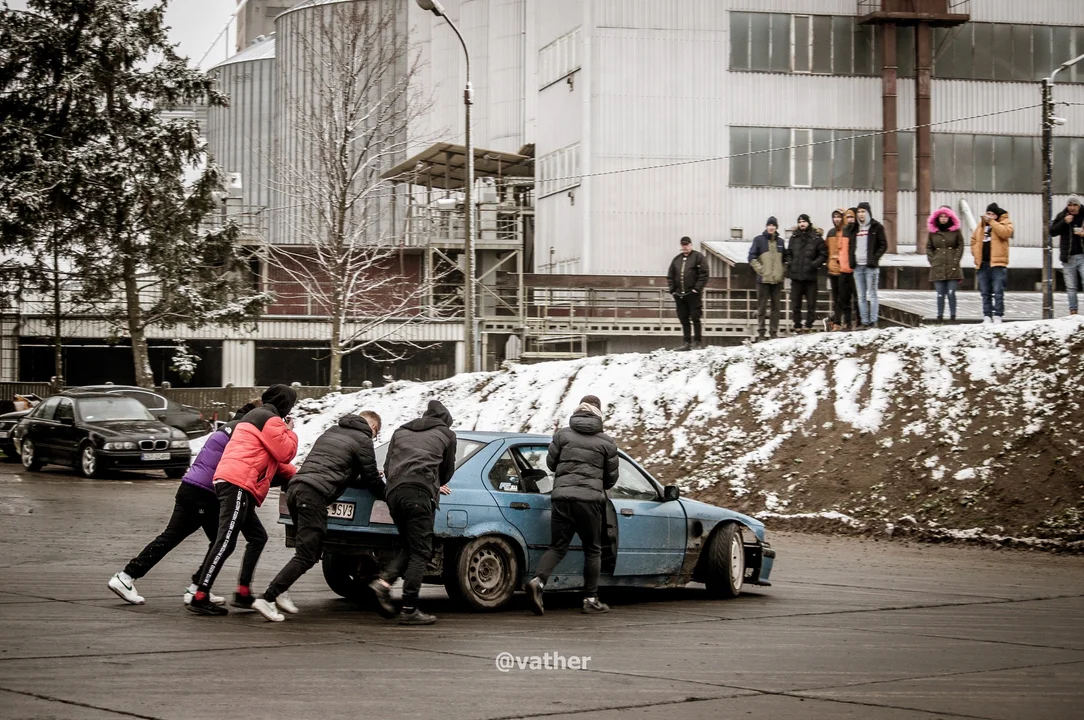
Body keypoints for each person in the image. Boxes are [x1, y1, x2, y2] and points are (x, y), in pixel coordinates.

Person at [253, 411, 384, 622]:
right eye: (376, 434)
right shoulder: (363, 440)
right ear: (373, 428)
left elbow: (336, 468)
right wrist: (388, 494)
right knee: (307, 554)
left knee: (308, 552)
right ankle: (267, 598)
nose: (374, 438)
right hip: (313, 495)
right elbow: (371, 481)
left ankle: (281, 589)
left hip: (296, 490)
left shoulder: (331, 431)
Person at [187, 384, 299, 616]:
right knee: (226, 540)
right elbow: (285, 452)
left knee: (258, 537)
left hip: (233, 481)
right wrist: (290, 430)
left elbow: (274, 460)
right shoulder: (270, 420)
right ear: (285, 403)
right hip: (237, 483)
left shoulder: (256, 416)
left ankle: (243, 592)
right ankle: (200, 595)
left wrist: (299, 474)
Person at [107, 418, 243, 607]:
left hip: (189, 486)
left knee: (173, 536)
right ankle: (197, 588)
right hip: (205, 493)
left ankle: (126, 577)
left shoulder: (226, 430)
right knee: (222, 542)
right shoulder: (243, 434)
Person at [525, 394, 618, 616]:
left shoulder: (562, 435)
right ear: (599, 413)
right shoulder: (607, 442)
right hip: (589, 502)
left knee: (558, 546)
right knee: (593, 549)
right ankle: (590, 598)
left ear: (579, 410)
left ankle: (538, 581)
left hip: (561, 498)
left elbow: (551, 464)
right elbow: (611, 479)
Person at [369, 400, 457, 626]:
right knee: (421, 552)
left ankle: (384, 582)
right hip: (418, 495)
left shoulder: (401, 431)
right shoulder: (447, 434)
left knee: (410, 545)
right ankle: (409, 608)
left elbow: (388, 467)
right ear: (445, 420)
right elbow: (447, 473)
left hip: (394, 494)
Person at [847, 201, 888, 328]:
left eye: (863, 211)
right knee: (861, 295)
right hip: (858, 267)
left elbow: (883, 244)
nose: (861, 214)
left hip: (870, 266)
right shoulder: (854, 229)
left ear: (868, 212)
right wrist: (851, 260)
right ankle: (864, 321)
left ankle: (873, 320)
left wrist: (874, 258)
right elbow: (850, 246)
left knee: (872, 294)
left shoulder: (876, 227)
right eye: (858, 212)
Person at [971, 202, 1013, 324]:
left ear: (997, 215)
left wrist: (992, 222)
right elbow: (974, 240)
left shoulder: (1004, 223)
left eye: (992, 214)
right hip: (983, 263)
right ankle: (987, 315)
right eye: (988, 213)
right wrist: (975, 253)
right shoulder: (981, 226)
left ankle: (998, 315)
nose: (989, 216)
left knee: (998, 291)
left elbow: (1005, 233)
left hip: (997, 264)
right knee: (985, 292)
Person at [785, 214, 827, 333]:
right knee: (796, 304)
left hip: (810, 277)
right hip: (796, 276)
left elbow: (823, 254)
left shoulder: (816, 238)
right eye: (800, 222)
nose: (802, 224)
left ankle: (809, 325)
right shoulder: (794, 238)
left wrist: (814, 264)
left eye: (804, 221)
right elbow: (788, 252)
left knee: (811, 304)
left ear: (808, 222)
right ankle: (797, 325)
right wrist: (791, 262)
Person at [666, 236, 709, 351]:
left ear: (690, 245)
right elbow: (670, 276)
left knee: (695, 317)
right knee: (683, 318)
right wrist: (673, 290)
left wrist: (697, 289)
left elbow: (704, 274)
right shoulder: (676, 260)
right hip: (679, 295)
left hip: (693, 294)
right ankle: (686, 342)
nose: (684, 247)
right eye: (683, 245)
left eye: (686, 244)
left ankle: (697, 342)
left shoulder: (698, 257)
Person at [748, 217, 785, 341]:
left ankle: (773, 332)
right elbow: (751, 257)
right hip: (763, 280)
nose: (771, 227)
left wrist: (782, 271)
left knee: (776, 308)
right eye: (769, 225)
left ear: (776, 227)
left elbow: (785, 259)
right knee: (761, 307)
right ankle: (761, 333)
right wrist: (761, 271)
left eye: (773, 225)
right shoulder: (759, 240)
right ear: (766, 226)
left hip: (777, 281)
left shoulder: (780, 241)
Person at [926, 206, 965, 323]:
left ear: (950, 217)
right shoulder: (933, 233)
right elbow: (929, 247)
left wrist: (956, 259)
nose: (943, 219)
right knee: (940, 294)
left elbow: (960, 245)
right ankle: (939, 316)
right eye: (941, 216)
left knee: (951, 293)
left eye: (945, 217)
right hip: (937, 266)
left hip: (952, 266)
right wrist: (933, 260)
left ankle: (953, 316)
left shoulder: (956, 232)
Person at [1051, 195, 1084, 316]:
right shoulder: (1062, 215)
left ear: (1079, 205)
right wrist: (1064, 222)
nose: (1072, 208)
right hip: (1068, 257)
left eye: (1075, 205)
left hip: (1082, 256)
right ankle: (1073, 311)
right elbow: (1052, 231)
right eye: (1069, 205)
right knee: (1071, 287)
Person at [823, 209, 850, 331]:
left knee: (844, 298)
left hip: (844, 270)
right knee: (836, 298)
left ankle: (847, 322)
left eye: (839, 217)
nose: (836, 219)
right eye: (834, 217)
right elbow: (825, 249)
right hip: (833, 269)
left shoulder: (847, 231)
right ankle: (837, 322)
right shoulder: (830, 233)